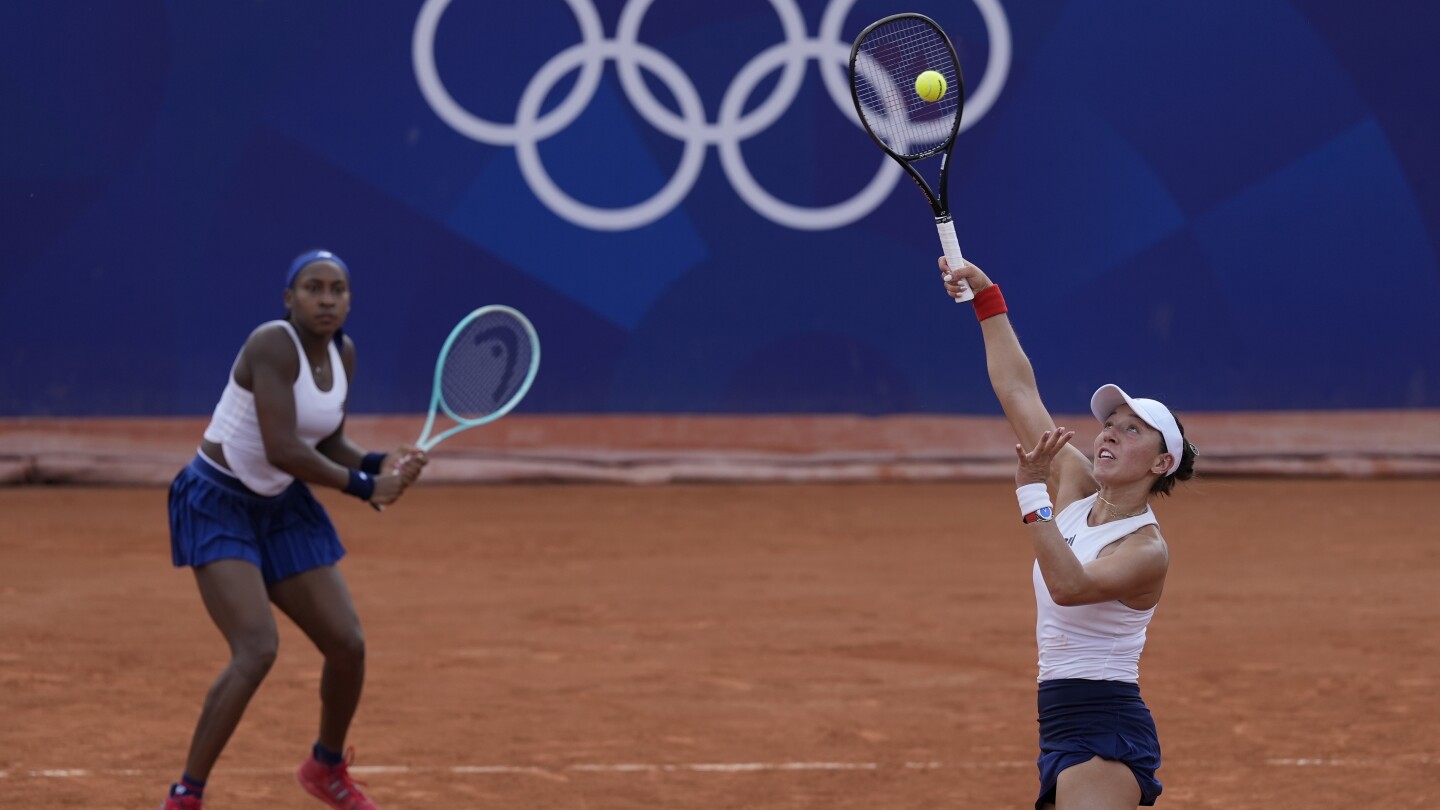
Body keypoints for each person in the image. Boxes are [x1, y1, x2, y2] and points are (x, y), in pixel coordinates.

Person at [161, 249, 427, 810]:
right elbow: (283, 448)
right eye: (313, 288)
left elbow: (325, 440)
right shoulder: (270, 345)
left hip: (281, 508)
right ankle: (186, 794)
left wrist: (379, 462)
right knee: (256, 648)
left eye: (337, 289)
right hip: (219, 502)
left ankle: (324, 768)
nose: (326, 299)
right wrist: (362, 487)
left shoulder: (343, 353)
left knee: (347, 644)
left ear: (349, 300)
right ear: (289, 298)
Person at [940, 257, 1197, 809]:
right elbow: (1017, 390)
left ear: (1160, 465)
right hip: (1058, 720)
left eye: (1132, 432)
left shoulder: (1145, 549)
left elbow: (1070, 586)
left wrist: (1033, 494)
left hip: (1106, 729)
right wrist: (987, 299)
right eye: (1109, 424)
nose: (1109, 435)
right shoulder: (1077, 484)